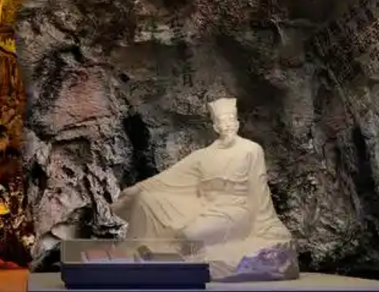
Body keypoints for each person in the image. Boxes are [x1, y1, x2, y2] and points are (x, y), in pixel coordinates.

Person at [111, 97, 296, 278]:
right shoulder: (203, 155)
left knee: (190, 235)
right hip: (204, 205)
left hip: (235, 210)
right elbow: (169, 177)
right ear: (215, 127)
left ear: (238, 123)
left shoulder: (251, 150)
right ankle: (145, 256)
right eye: (223, 121)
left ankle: (175, 261)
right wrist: (138, 189)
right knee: (149, 199)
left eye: (231, 120)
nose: (228, 125)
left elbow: (259, 188)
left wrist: (267, 222)